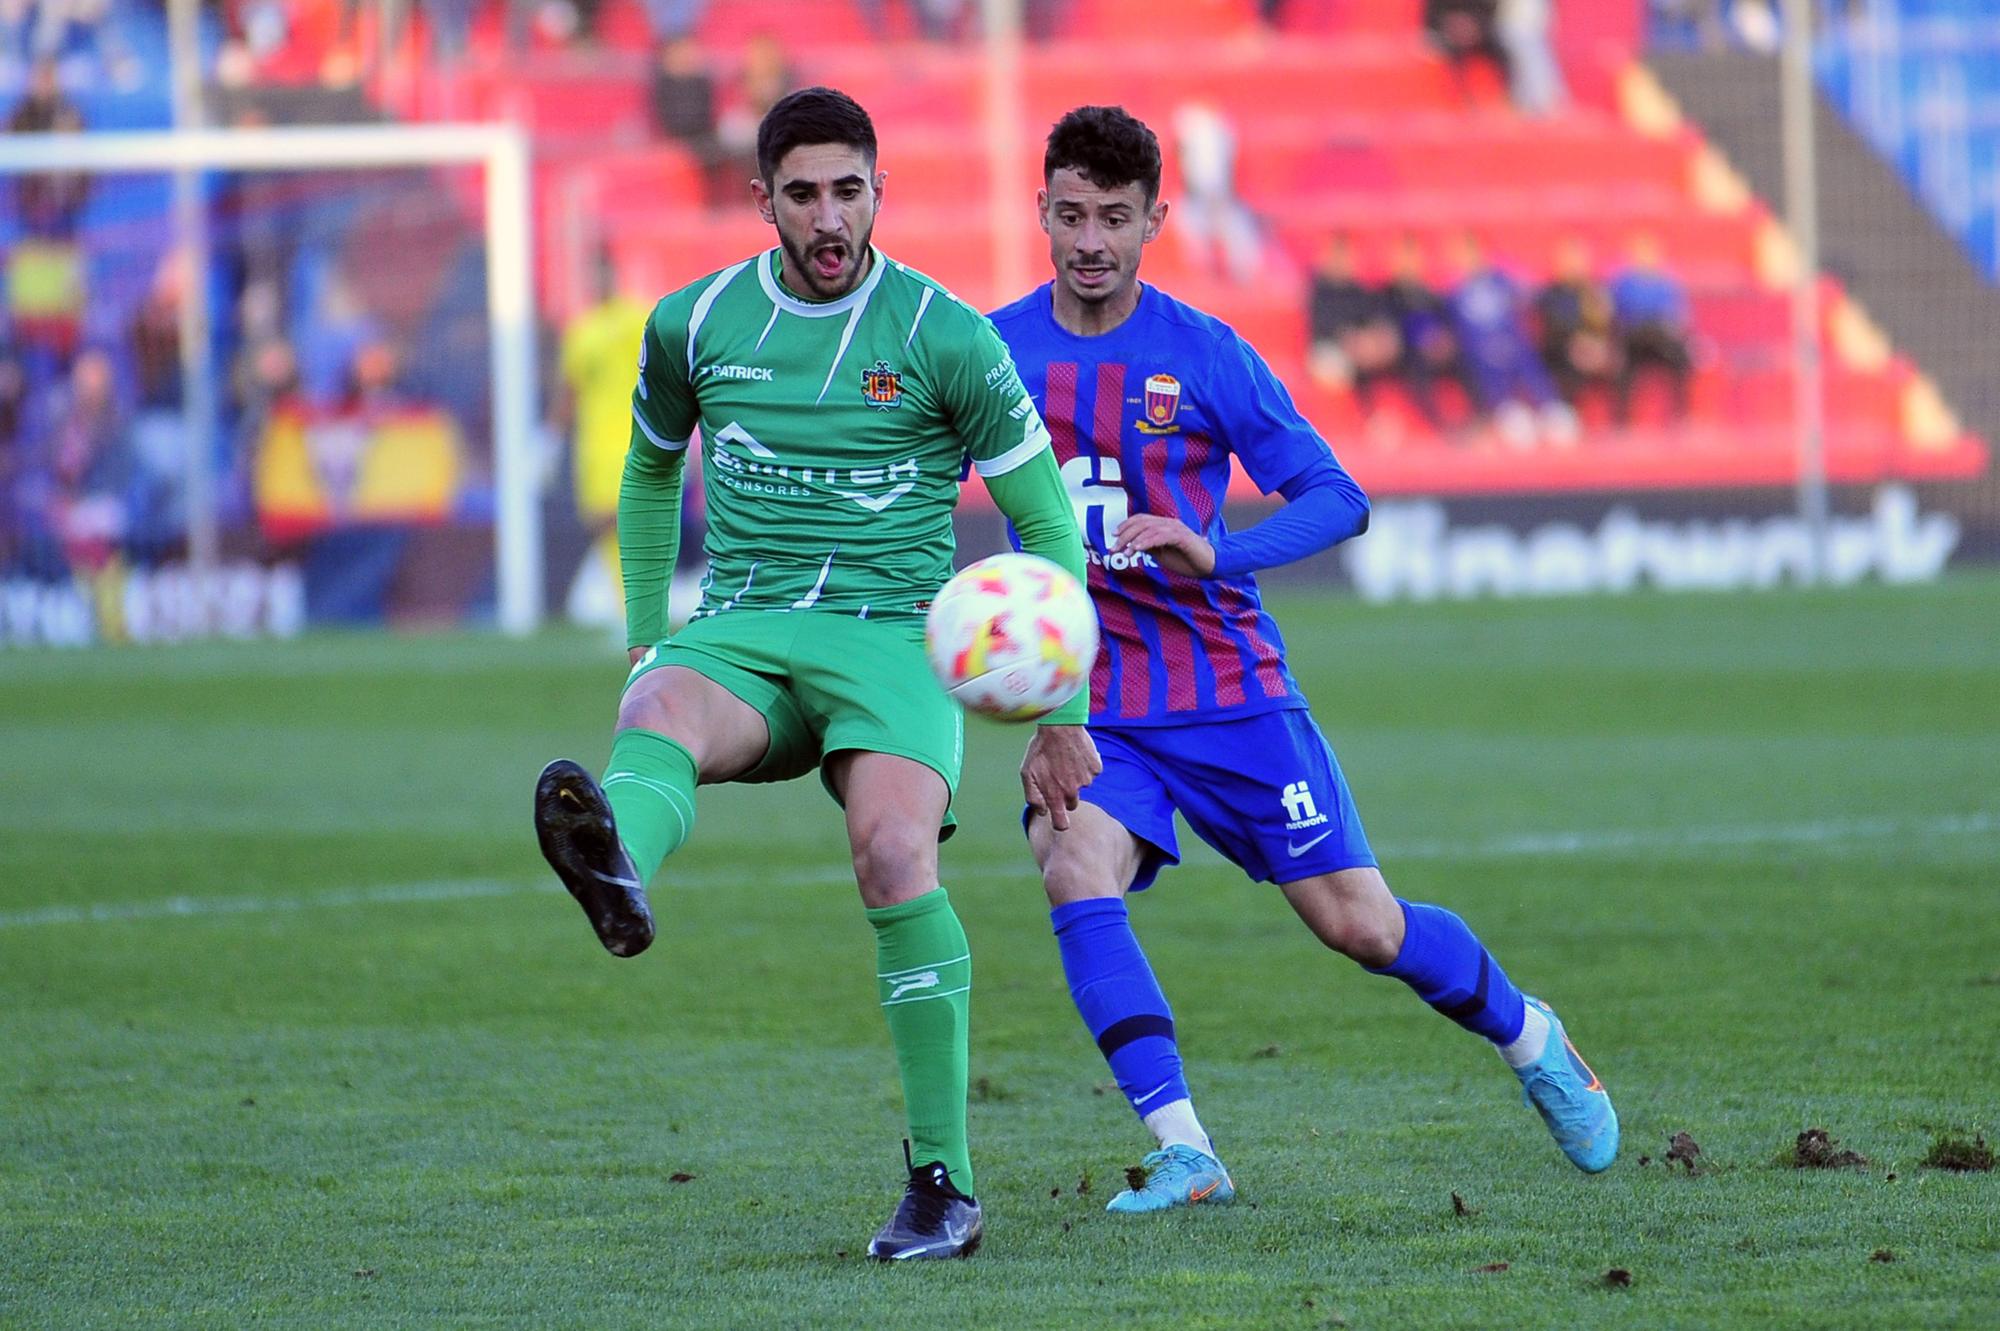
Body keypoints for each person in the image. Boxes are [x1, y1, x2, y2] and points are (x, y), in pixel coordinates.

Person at [988, 105, 1618, 1213]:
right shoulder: (990, 350)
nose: (1089, 239)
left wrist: (1214, 549)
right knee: (1071, 860)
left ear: (1154, 221)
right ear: (1039, 209)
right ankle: (1185, 1146)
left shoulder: (1204, 355)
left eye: (1115, 218)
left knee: (1361, 927)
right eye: (1071, 213)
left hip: (1231, 695)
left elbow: (1338, 497)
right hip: (1098, 707)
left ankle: (1528, 1033)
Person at [531, 87, 1097, 1261]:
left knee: (893, 855)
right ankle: (619, 865)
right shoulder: (694, 323)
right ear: (763, 201)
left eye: (849, 190)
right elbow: (648, 475)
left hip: (892, 639)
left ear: (880, 193)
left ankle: (942, 1181)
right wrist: (649, 635)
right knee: (656, 703)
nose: (828, 216)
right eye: (803, 194)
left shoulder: (945, 334)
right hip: (743, 626)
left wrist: (1061, 712)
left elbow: (1046, 528)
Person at [1446, 231, 1578, 447]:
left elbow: (1528, 296)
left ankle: (1552, 411)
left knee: (1526, 360)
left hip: (1513, 343)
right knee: (1488, 366)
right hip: (1482, 351)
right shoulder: (1456, 291)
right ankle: (1510, 415)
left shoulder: (1501, 280)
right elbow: (1461, 330)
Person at [1306, 232, 1401, 413]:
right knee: (1339, 366)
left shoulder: (1355, 289)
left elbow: (1371, 314)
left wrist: (1378, 335)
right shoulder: (1319, 289)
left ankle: (1376, 413)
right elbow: (1322, 326)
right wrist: (1350, 339)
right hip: (1326, 349)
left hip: (1356, 348)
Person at [1609, 231, 1693, 423]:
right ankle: (1622, 419)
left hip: (1661, 341)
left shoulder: (1666, 284)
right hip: (1634, 341)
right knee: (1623, 359)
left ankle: (1682, 414)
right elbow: (1617, 316)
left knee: (1681, 355)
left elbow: (1678, 317)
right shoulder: (1623, 283)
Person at [1534, 235, 1619, 411]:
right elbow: (1553, 327)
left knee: (1618, 357)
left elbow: (1607, 323)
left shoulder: (1595, 289)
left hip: (1593, 347)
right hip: (1561, 349)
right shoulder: (1552, 292)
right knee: (1571, 361)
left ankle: (1621, 421)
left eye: (1579, 260)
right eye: (1570, 259)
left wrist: (1599, 342)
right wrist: (1579, 341)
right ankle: (1565, 412)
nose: (1575, 265)